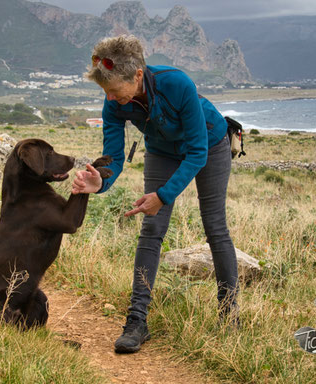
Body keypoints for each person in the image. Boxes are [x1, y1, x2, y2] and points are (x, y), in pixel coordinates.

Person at [72, 35, 239, 354]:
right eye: (104, 90)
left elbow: (197, 152)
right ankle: (137, 322)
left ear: (137, 75)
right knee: (151, 231)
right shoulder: (113, 102)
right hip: (162, 151)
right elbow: (115, 157)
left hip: (210, 144)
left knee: (215, 227)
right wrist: (101, 181)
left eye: (114, 89)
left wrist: (162, 196)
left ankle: (229, 316)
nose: (109, 97)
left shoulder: (176, 83)